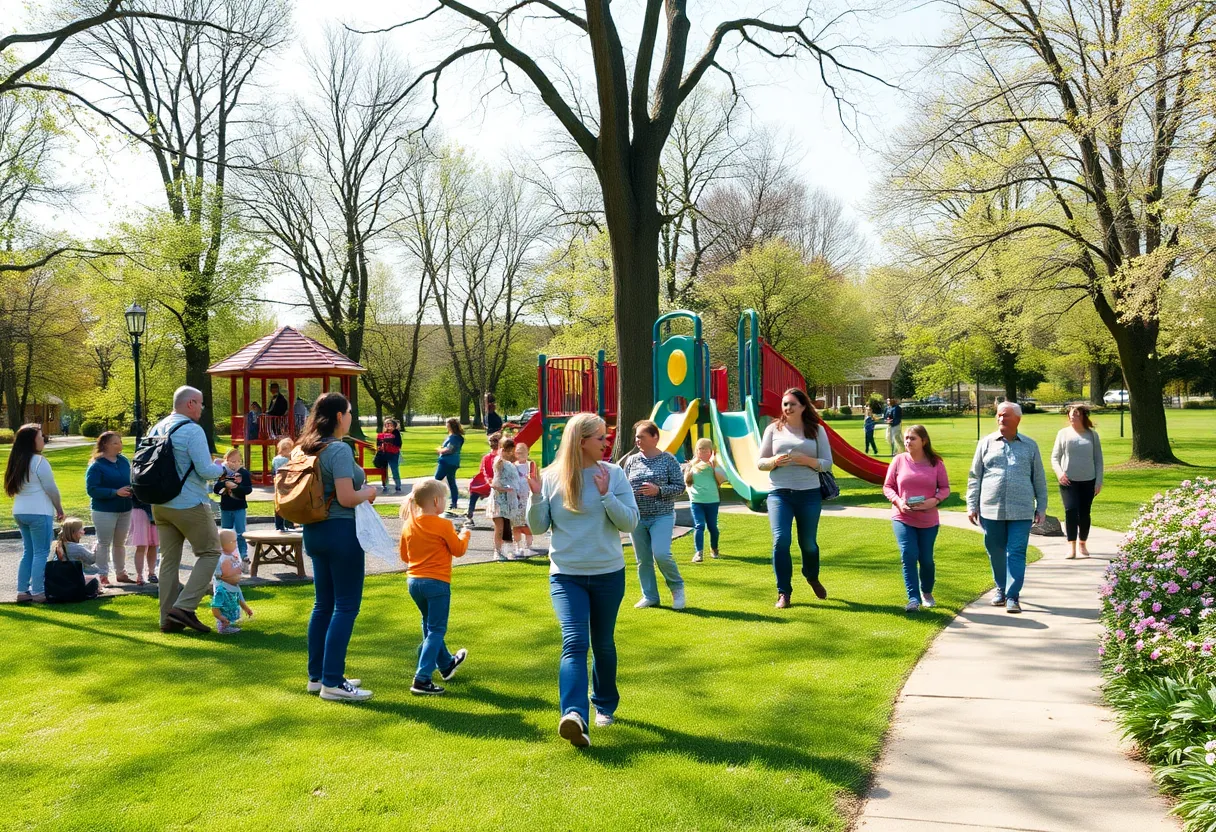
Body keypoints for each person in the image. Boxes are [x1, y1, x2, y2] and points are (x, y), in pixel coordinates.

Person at [527, 412, 639, 747]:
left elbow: (630, 523)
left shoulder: (614, 474)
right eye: (601, 438)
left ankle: (603, 704)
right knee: (575, 643)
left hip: (608, 574)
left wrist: (607, 495)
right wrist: (534, 495)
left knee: (603, 644)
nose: (607, 443)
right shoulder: (550, 477)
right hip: (567, 577)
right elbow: (536, 528)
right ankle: (574, 715)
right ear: (581, 441)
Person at [298, 392, 379, 702]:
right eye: (348, 412)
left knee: (323, 606)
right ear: (337, 417)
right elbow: (347, 497)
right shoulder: (339, 450)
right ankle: (332, 681)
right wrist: (369, 491)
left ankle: (318, 676)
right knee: (346, 606)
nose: (350, 416)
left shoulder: (307, 447)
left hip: (314, 530)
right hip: (340, 531)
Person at [148, 386, 226, 633]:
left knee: (169, 561)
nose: (202, 408)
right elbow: (205, 470)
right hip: (188, 502)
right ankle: (184, 607)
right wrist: (223, 469)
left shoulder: (156, 427)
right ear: (191, 403)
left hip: (159, 504)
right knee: (211, 552)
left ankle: (167, 619)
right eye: (201, 403)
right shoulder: (192, 430)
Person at [966, 401, 1048, 614]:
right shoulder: (986, 443)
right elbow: (975, 477)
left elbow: (1039, 478)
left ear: (1017, 419)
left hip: (1021, 510)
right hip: (990, 509)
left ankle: (1013, 595)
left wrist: (1042, 506)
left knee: (1017, 552)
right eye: (999, 415)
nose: (1001, 419)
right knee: (995, 551)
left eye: (1006, 415)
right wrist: (971, 504)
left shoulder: (1030, 445)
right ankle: (1000, 589)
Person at [758, 388, 833, 609]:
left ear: (802, 406)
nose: (787, 408)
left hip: (809, 493)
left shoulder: (816, 431)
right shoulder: (773, 429)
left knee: (808, 544)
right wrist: (774, 461)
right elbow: (760, 462)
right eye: (784, 404)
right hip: (779, 493)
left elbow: (827, 463)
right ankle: (784, 592)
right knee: (781, 541)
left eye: (792, 404)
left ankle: (811, 576)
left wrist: (806, 460)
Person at [399, 479, 472, 696]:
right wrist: (465, 534)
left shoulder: (409, 524)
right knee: (437, 630)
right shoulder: (443, 525)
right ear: (436, 501)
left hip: (414, 581)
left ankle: (446, 663)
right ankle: (422, 678)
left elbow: (405, 555)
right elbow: (458, 550)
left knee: (429, 624)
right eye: (445, 499)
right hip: (437, 582)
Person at [883, 425, 951, 612]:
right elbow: (888, 487)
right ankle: (913, 599)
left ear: (924, 441)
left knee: (926, 559)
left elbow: (945, 488)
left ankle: (926, 591)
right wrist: (898, 502)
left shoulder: (936, 463)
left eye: (912, 438)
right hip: (902, 517)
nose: (907, 442)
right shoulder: (898, 460)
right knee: (908, 554)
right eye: (906, 438)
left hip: (928, 520)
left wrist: (934, 501)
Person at [622, 420, 686, 610]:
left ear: (655, 437)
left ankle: (677, 588)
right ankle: (650, 596)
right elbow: (624, 485)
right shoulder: (631, 460)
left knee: (661, 553)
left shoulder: (668, 460)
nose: (637, 440)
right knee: (643, 559)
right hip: (638, 517)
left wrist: (658, 490)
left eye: (641, 436)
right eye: (636, 437)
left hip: (662, 516)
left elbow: (680, 487)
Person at [5, 423, 66, 603]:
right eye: (40, 437)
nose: (43, 440)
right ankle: (38, 591)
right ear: (32, 441)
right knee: (40, 552)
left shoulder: (17, 460)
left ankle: (22, 590)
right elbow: (51, 489)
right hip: (39, 511)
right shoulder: (39, 461)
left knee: (29, 552)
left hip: (20, 511)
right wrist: (59, 509)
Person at [1051, 404, 1104, 559]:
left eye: (1076, 413)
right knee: (1070, 511)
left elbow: (1098, 460)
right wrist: (1060, 474)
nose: (1073, 416)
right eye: (1071, 414)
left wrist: (1098, 481)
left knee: (1084, 513)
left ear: (1083, 416)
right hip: (1068, 481)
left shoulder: (1092, 435)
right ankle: (1071, 546)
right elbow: (1055, 458)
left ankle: (1082, 543)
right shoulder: (1063, 434)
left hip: (1088, 480)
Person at [85, 431, 134, 587]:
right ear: (105, 444)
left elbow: (132, 478)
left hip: (125, 508)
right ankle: (103, 575)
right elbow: (92, 489)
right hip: (104, 510)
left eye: (120, 441)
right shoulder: (97, 465)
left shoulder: (124, 461)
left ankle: (121, 573)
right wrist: (115, 492)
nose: (119, 445)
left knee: (120, 543)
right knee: (104, 543)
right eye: (115, 442)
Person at [684, 437, 726, 563]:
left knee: (712, 527)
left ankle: (714, 548)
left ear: (711, 451)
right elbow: (686, 482)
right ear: (696, 451)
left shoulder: (715, 465)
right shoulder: (692, 465)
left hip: (712, 500)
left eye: (705, 450)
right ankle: (699, 553)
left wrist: (713, 466)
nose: (702, 453)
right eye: (700, 450)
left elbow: (722, 479)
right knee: (699, 525)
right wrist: (691, 494)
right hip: (697, 501)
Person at [488, 436, 525, 561]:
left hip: (508, 499)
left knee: (506, 526)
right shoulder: (499, 462)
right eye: (508, 451)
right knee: (500, 526)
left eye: (511, 450)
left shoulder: (510, 464)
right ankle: (497, 552)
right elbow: (497, 473)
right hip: (499, 499)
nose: (510, 453)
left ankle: (506, 551)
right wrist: (500, 454)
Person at [214, 448, 253, 566]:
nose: (234, 464)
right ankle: (227, 556)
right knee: (226, 533)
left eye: (237, 461)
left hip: (239, 507)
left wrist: (236, 487)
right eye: (231, 461)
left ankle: (243, 554)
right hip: (226, 508)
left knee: (241, 532)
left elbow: (248, 489)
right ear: (226, 461)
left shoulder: (244, 473)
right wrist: (225, 483)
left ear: (241, 461)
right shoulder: (223, 473)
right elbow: (216, 489)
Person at [211, 529, 254, 635]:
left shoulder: (231, 556)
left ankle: (228, 622)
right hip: (224, 587)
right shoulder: (220, 559)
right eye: (234, 541)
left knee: (233, 603)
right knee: (222, 605)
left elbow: (241, 570)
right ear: (225, 543)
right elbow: (220, 574)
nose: (236, 543)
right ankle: (222, 625)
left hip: (232, 587)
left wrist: (246, 608)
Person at [464, 432, 500, 531]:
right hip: (498, 482)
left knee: (474, 489)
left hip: (487, 482)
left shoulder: (487, 457)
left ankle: (470, 513)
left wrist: (488, 479)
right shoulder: (502, 457)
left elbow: (483, 470)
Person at [435, 417, 465, 515]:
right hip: (452, 462)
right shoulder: (453, 436)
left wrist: (440, 450)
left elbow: (450, 449)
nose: (446, 425)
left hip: (447, 461)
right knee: (451, 481)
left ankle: (436, 501)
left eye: (447, 424)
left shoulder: (454, 437)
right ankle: (453, 503)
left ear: (450, 425)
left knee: (436, 480)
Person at [513, 442, 538, 554]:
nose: (521, 455)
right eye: (518, 452)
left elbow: (535, 478)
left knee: (528, 523)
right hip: (517, 498)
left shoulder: (530, 464)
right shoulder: (513, 466)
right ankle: (518, 545)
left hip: (528, 497)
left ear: (528, 453)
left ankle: (529, 545)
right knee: (517, 523)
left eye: (523, 452)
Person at [128, 495, 159, 585]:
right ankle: (140, 575)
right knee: (141, 545)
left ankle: (152, 573)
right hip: (140, 509)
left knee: (154, 544)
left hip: (155, 509)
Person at [271, 437, 296, 532]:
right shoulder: (284, 460)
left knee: (279, 504)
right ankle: (288, 524)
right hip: (288, 483)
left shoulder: (275, 459)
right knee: (288, 503)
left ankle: (279, 525)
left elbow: (273, 471)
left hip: (279, 484)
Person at [376, 418, 403, 493]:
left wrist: (389, 440)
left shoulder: (396, 433)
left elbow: (398, 443)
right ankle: (385, 485)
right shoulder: (383, 433)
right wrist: (379, 446)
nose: (387, 425)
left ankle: (398, 485)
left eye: (389, 424)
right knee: (384, 470)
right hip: (384, 453)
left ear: (394, 425)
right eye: (386, 424)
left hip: (393, 454)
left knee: (394, 469)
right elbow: (378, 442)